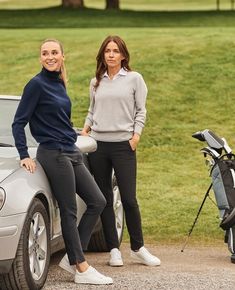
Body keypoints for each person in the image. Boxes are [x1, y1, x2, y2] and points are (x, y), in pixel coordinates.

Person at [12, 38, 113, 285]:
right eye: (45, 53)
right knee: (68, 209)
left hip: (70, 150)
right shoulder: (35, 85)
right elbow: (18, 122)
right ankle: (81, 267)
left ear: (62, 56)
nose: (50, 57)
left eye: (54, 52)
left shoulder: (58, 83)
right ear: (40, 58)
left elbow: (59, 120)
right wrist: (25, 154)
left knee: (97, 200)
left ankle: (71, 256)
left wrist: (76, 134)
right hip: (53, 153)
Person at [81, 35, 161, 267]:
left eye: (115, 51)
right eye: (107, 50)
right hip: (97, 145)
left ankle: (138, 247)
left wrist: (135, 137)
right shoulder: (96, 81)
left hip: (123, 146)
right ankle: (114, 249)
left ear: (123, 55)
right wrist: (85, 130)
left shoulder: (135, 79)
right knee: (105, 198)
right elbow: (91, 111)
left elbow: (141, 110)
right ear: (103, 54)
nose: (111, 54)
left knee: (128, 198)